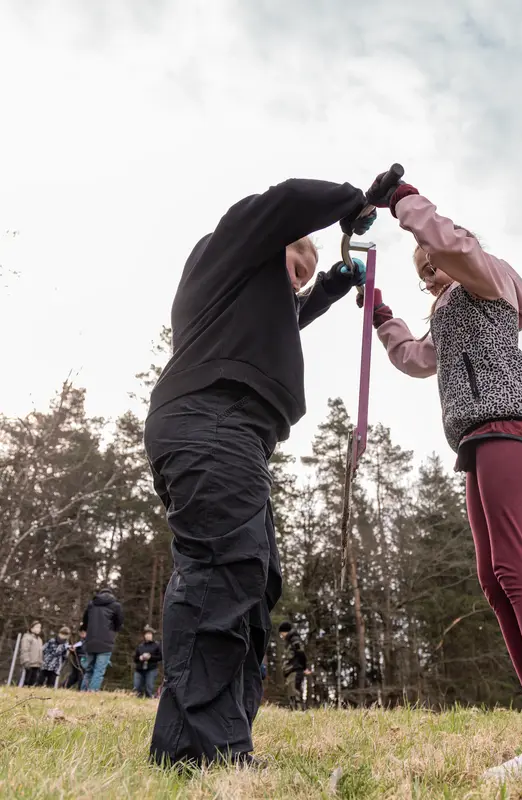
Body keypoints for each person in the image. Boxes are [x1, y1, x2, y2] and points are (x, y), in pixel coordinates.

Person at [362, 174, 522, 780]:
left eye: (431, 260)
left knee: (517, 568)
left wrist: (404, 206)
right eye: (421, 270)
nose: (428, 271)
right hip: (475, 435)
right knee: (494, 579)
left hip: (507, 420)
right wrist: (384, 318)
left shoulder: (486, 277)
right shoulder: (447, 314)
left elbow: (455, 249)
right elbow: (416, 360)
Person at [143, 176, 376, 768]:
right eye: (302, 254)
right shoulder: (231, 244)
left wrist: (328, 287)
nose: (304, 268)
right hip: (210, 421)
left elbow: (278, 321)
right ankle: (200, 752)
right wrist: (356, 202)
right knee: (223, 573)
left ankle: (216, 743)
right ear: (277, 240)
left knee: (253, 579)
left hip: (234, 433)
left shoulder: (242, 299)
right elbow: (289, 199)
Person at [80, 587, 123, 692]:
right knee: (99, 670)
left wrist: (85, 630)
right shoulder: (116, 606)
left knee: (89, 669)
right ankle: (92, 692)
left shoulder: (91, 605)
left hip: (90, 641)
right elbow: (119, 623)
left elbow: (85, 621)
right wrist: (113, 631)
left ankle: (83, 691)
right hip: (106, 642)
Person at [278, 621, 307, 710]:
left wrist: (303, 667)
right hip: (291, 671)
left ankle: (298, 714)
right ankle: (294, 712)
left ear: (284, 631)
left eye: (281, 633)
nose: (281, 636)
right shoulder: (290, 641)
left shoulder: (294, 640)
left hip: (295, 670)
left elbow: (301, 653)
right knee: (291, 694)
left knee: (295, 693)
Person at [133, 625, 162, 698]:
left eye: (150, 634)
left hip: (151, 669)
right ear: (144, 635)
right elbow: (135, 658)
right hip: (139, 669)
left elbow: (160, 657)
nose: (148, 636)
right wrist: (140, 658)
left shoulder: (157, 645)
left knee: (149, 688)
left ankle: (148, 701)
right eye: (146, 634)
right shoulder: (140, 646)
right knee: (137, 688)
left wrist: (150, 657)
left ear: (152, 635)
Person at [19, 620, 44, 686]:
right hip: (29, 663)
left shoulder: (39, 639)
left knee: (33, 682)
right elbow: (24, 650)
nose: (38, 629)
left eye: (40, 627)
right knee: (26, 681)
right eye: (37, 627)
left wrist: (40, 662)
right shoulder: (27, 637)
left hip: (37, 664)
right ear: (31, 628)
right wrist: (26, 661)